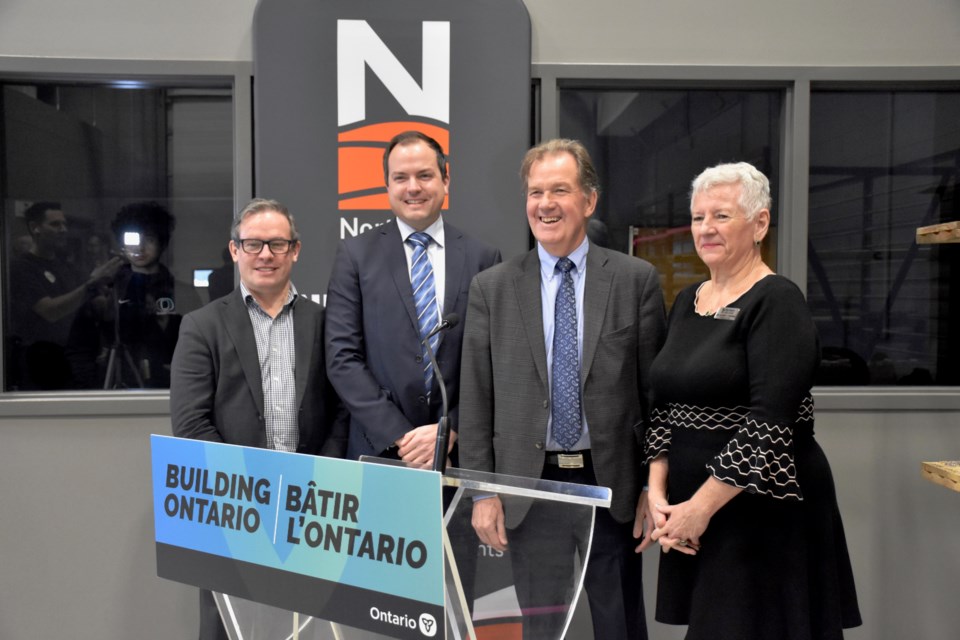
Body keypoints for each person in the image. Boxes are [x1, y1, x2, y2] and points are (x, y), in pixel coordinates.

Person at [459, 139, 667, 640]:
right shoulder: (493, 287)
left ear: (589, 201)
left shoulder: (635, 281)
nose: (545, 204)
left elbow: (655, 394)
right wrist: (483, 492)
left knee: (619, 623)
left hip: (610, 486)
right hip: (531, 488)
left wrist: (648, 484)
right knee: (541, 627)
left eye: (559, 190)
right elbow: (476, 398)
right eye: (535, 192)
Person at [646, 162, 861, 639]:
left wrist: (697, 509)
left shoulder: (777, 301)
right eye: (699, 218)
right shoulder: (688, 300)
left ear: (759, 224)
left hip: (760, 511)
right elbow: (664, 404)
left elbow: (770, 424)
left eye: (721, 216)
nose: (706, 229)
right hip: (692, 510)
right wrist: (658, 494)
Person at [170, 198, 347, 640]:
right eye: (252, 244)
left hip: (311, 506)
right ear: (234, 251)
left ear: (296, 250)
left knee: (309, 627)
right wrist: (254, 493)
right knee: (229, 627)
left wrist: (316, 477)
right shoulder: (201, 325)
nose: (265, 254)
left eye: (276, 244)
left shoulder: (325, 322)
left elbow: (343, 411)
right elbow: (191, 424)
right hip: (233, 508)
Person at [325, 130, 501, 468]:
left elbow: (494, 362)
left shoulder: (483, 257)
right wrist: (405, 438)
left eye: (424, 175)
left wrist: (450, 429)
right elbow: (342, 358)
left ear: (446, 179)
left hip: (460, 456)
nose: (413, 187)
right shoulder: (355, 255)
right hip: (380, 453)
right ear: (387, 186)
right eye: (400, 177)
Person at [68, 201, 201, 388]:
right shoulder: (108, 289)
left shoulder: (181, 292)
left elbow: (198, 346)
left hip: (169, 387)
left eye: (149, 239)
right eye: (133, 239)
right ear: (121, 242)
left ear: (162, 243)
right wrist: (92, 386)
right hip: (113, 385)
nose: (140, 247)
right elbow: (80, 346)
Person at [8, 201, 123, 389]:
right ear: (34, 228)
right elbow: (49, 311)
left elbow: (101, 309)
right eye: (55, 224)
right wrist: (91, 284)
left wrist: (116, 284)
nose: (62, 229)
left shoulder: (68, 267)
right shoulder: (22, 267)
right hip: (42, 362)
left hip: (79, 360)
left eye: (64, 224)